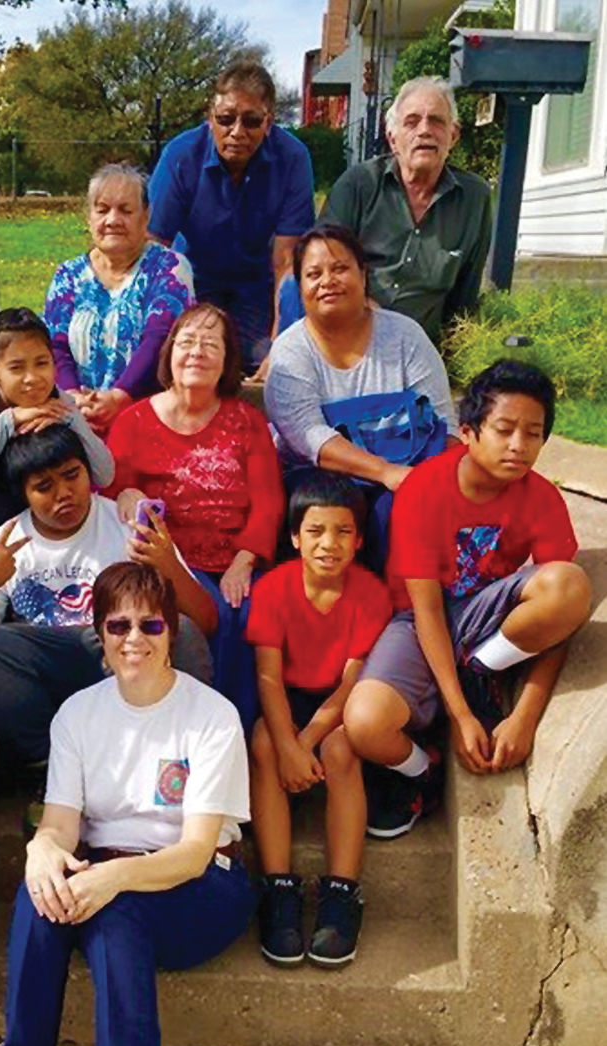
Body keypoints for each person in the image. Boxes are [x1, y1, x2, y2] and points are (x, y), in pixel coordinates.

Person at [0, 561, 254, 1046]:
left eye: (150, 623)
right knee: (40, 895)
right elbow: (63, 822)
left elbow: (193, 851)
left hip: (202, 888)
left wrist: (109, 874)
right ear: (98, 633)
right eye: (118, 624)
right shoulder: (79, 714)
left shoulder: (210, 717)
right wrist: (43, 853)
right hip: (109, 878)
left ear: (171, 629)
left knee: (114, 904)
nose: (134, 638)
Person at [343, 360, 591, 838]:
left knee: (569, 585)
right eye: (504, 429)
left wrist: (524, 716)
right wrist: (460, 717)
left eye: (533, 433)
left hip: (486, 618)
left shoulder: (541, 498)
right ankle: (423, 771)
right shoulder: (423, 488)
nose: (519, 445)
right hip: (418, 620)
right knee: (365, 722)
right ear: (469, 433)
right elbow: (428, 609)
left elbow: (563, 623)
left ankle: (481, 671)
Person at [0, 423, 216, 778]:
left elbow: (205, 623)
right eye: (44, 486)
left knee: (183, 632)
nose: (64, 493)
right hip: (51, 678)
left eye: (72, 476)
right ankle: (54, 762)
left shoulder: (128, 526)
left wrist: (167, 567)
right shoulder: (6, 542)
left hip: (124, 668)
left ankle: (175, 751)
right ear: (23, 494)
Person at [107, 304, 284, 729]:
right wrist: (126, 491)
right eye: (187, 342)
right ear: (169, 353)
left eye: (211, 344)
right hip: (170, 561)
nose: (197, 352)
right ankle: (203, 730)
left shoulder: (246, 421)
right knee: (217, 617)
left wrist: (244, 560)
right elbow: (111, 487)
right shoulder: (134, 421)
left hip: (237, 559)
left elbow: (269, 501)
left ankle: (242, 733)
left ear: (227, 361)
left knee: (253, 613)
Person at [247, 475, 391, 967]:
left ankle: (342, 890)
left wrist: (304, 744)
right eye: (315, 531)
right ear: (294, 537)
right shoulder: (273, 588)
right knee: (265, 742)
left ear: (360, 540)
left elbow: (351, 685)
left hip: (340, 706)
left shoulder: (371, 595)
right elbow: (267, 678)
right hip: (288, 696)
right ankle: (278, 885)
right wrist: (288, 745)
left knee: (339, 750)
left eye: (344, 532)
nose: (329, 544)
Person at [264, 223, 456, 572]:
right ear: (300, 286)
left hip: (407, 470)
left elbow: (445, 424)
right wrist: (386, 472)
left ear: (363, 274)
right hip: (316, 477)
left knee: (401, 509)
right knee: (331, 512)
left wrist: (434, 483)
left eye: (340, 268)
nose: (328, 281)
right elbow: (310, 438)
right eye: (313, 273)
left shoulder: (404, 336)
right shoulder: (290, 351)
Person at [148, 59, 315, 376]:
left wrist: (281, 346)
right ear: (211, 118)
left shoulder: (293, 158)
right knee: (183, 364)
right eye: (226, 119)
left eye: (251, 121)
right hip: (193, 279)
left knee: (266, 365)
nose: (237, 131)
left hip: (256, 283)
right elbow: (155, 249)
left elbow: (286, 261)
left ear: (269, 122)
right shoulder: (181, 155)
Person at [0, 307, 114, 595]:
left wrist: (71, 419)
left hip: (39, 523)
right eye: (16, 368)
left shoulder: (60, 402)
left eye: (41, 363)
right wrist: (10, 420)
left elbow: (105, 475)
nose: (32, 378)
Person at [321, 76, 492, 345]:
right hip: (350, 340)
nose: (424, 130)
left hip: (422, 352)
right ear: (393, 138)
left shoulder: (474, 199)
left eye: (436, 121)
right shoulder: (358, 185)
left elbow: (464, 299)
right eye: (412, 122)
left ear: (453, 135)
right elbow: (322, 266)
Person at [43, 163, 194, 435]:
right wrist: (73, 398)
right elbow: (55, 344)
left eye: (126, 210)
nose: (113, 220)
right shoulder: (68, 274)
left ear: (145, 217)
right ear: (89, 218)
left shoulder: (170, 268)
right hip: (76, 418)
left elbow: (159, 339)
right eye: (102, 210)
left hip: (149, 418)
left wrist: (120, 396)